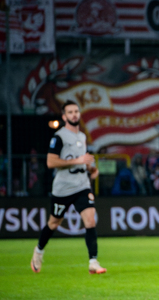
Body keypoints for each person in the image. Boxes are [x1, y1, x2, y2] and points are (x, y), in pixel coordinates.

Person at [30, 101, 106, 274]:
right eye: (70, 112)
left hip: (81, 185)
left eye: (76, 111)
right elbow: (51, 162)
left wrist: (91, 169)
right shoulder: (59, 137)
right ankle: (39, 250)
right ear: (64, 117)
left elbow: (82, 160)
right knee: (54, 223)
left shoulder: (82, 137)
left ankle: (93, 262)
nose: (74, 114)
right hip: (63, 188)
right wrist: (77, 161)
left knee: (90, 219)